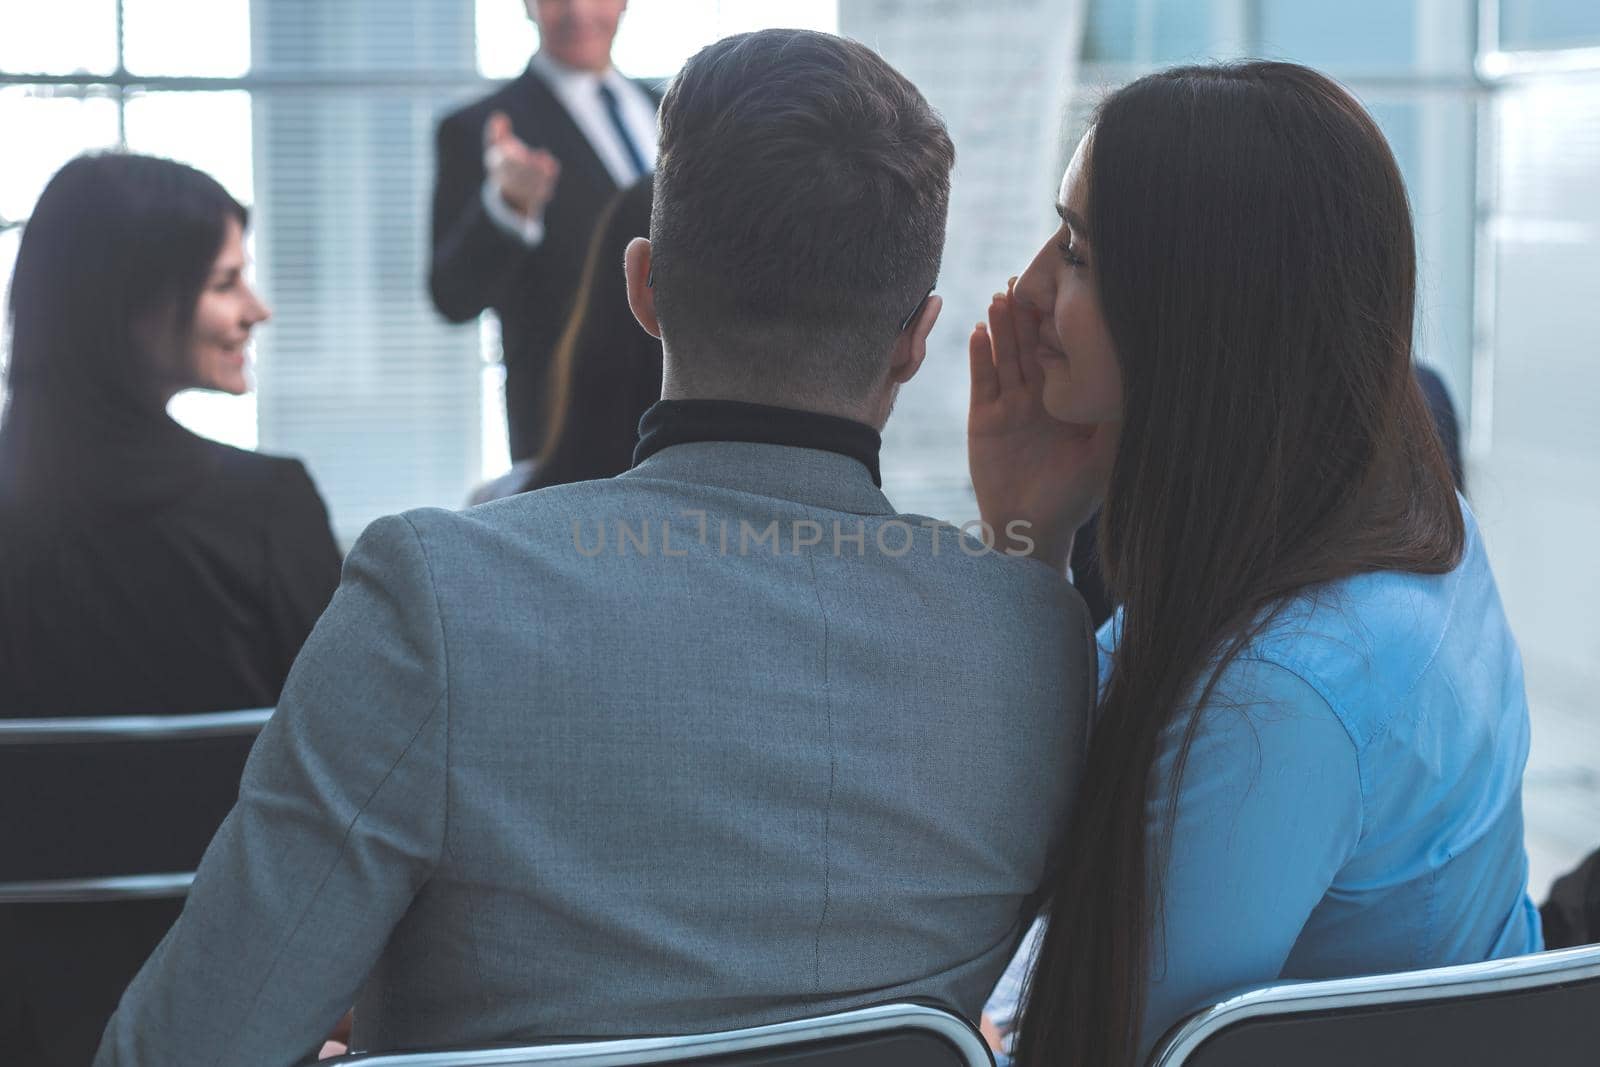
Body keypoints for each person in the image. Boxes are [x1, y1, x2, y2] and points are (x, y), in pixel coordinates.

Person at [96, 30, 1096, 1066]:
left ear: (643, 290)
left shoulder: (435, 601)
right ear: (915, 336)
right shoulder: (1035, 638)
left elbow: (179, 1048)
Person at [964, 62, 1541, 1066]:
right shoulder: (1375, 513)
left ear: (1195, 314)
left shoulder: (1281, 691)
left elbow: (1096, 1044)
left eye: (1079, 253)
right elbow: (1074, 760)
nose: (1028, 291)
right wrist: (1028, 534)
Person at [0, 152, 341, 1065]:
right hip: (234, 1012)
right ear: (135, 304)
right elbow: (351, 768)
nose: (256, 309)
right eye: (228, 282)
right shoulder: (267, 510)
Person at [430, 0, 660, 462]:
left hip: (683, 419)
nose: (577, 12)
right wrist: (508, 207)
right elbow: (451, 296)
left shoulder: (669, 108)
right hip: (567, 435)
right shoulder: (479, 129)